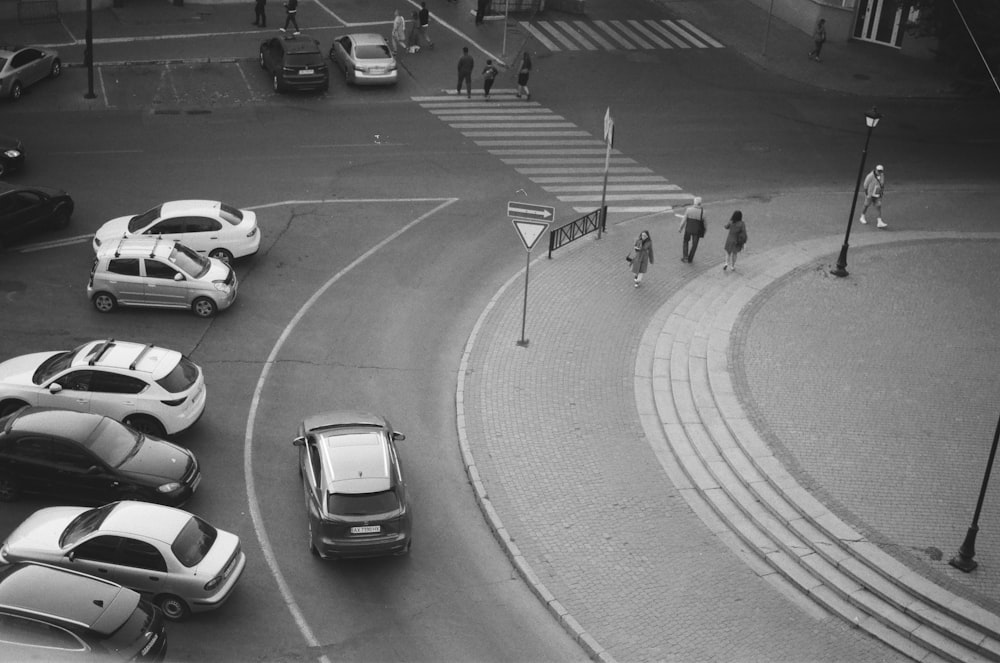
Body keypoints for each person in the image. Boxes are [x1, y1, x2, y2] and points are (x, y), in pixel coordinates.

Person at [678, 196, 706, 263]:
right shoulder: (703, 212)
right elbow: (705, 224)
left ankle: (685, 257)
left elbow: (684, 220)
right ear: (700, 203)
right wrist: (704, 231)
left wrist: (680, 228)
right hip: (697, 231)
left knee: (685, 241)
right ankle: (690, 258)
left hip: (688, 229)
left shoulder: (689, 210)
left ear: (694, 203)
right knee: (695, 244)